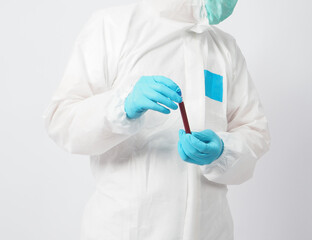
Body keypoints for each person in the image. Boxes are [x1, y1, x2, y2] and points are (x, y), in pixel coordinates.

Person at [44, 0, 270, 239]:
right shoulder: (113, 26)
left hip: (209, 229)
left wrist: (223, 150)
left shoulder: (225, 48)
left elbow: (255, 132)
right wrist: (122, 106)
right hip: (126, 229)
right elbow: (62, 120)